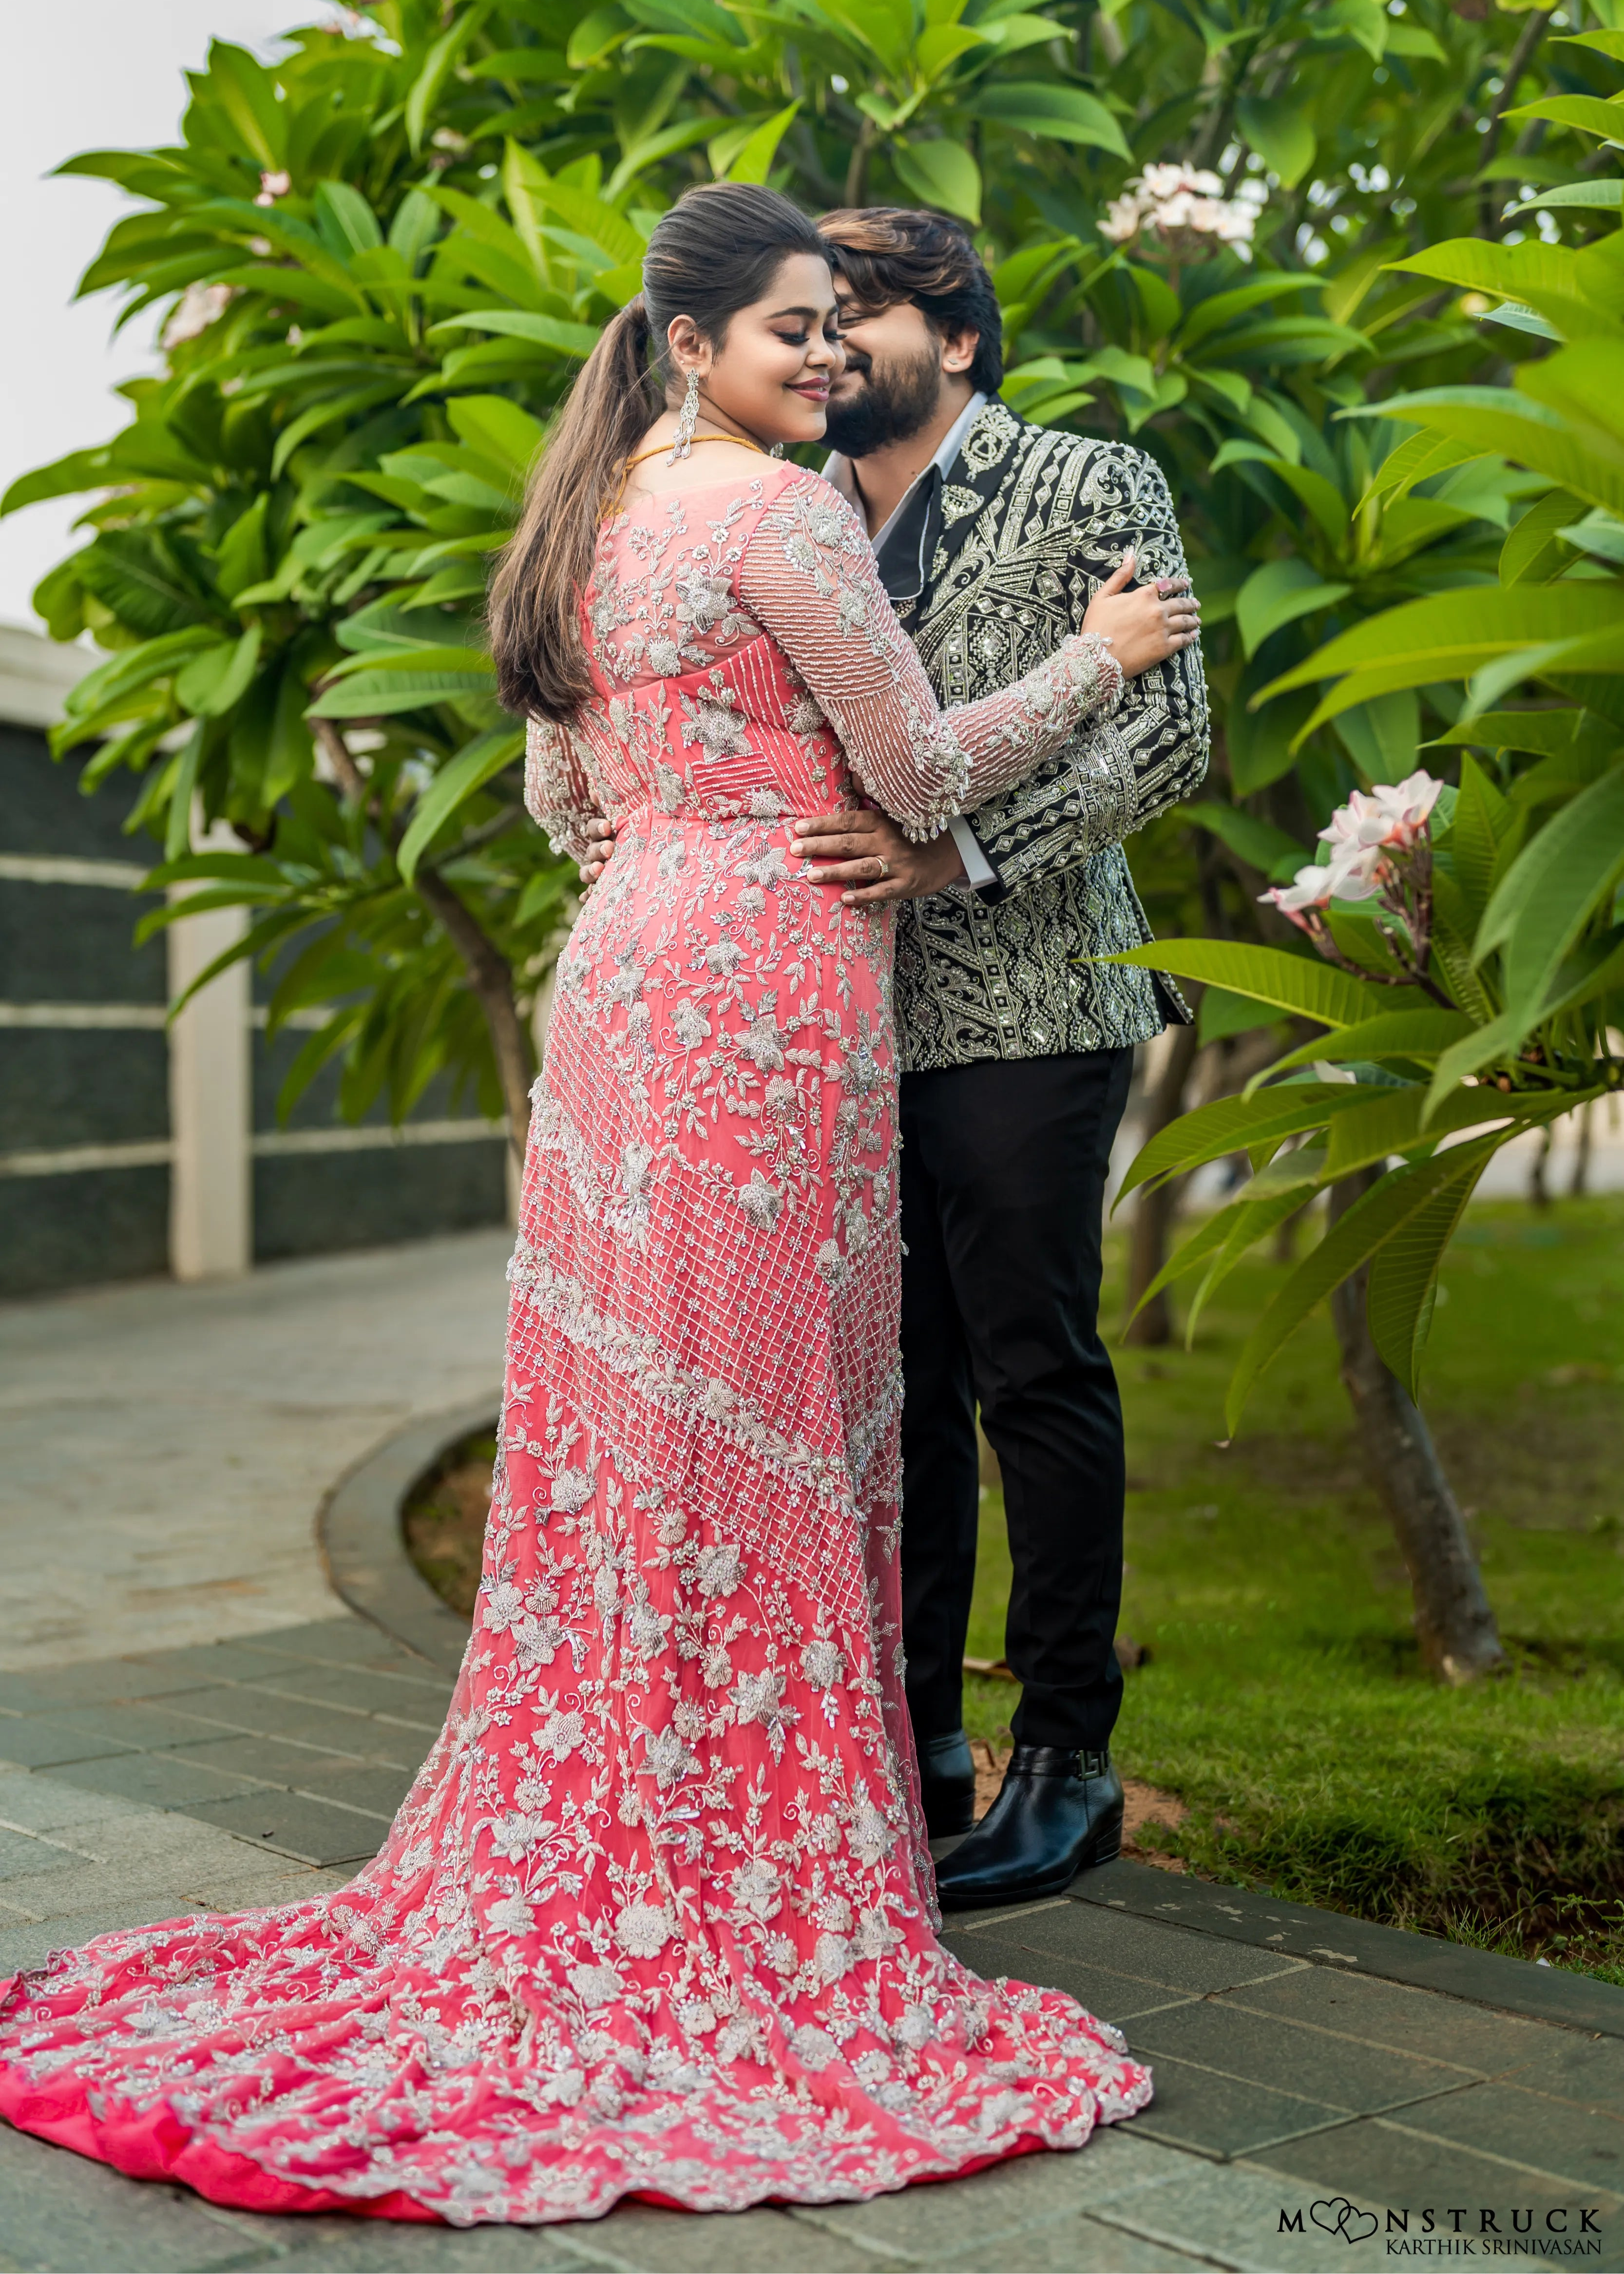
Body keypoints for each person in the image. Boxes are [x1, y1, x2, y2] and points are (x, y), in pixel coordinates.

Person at [0, 185, 1197, 2227]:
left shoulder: (585, 512)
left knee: (640, 1424)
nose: (825, 353)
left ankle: (641, 1811)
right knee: (774, 1422)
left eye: (846, 325)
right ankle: (757, 1851)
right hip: (771, 974)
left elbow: (567, 803)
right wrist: (1089, 658)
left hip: (636, 958)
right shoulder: (784, 513)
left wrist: (693, 832)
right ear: (700, 336)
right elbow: (910, 777)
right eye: (797, 325)